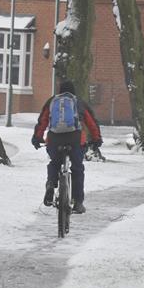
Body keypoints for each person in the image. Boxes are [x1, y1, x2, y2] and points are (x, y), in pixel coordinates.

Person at [31, 80, 102, 214]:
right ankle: (78, 202)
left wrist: (37, 138)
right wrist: (96, 139)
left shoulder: (52, 102)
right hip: (75, 139)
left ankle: (51, 184)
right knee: (77, 169)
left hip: (54, 139)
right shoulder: (79, 102)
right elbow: (92, 122)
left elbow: (42, 121)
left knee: (54, 163)